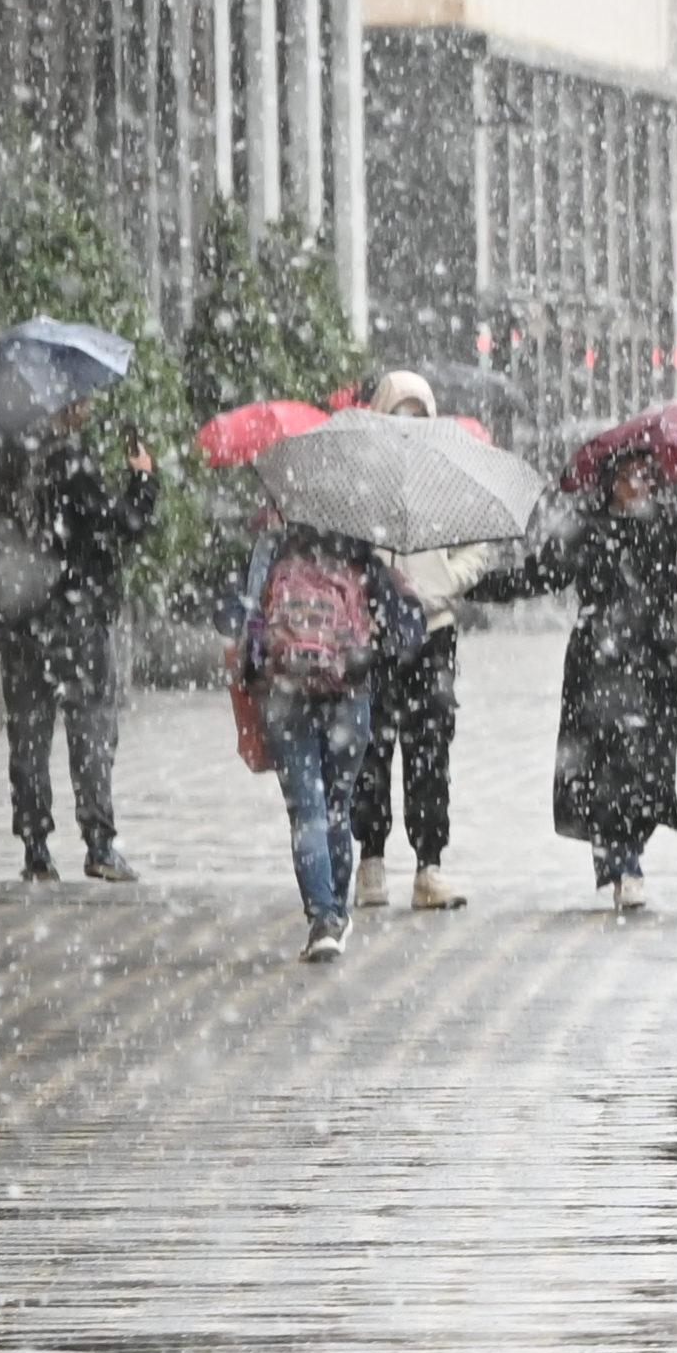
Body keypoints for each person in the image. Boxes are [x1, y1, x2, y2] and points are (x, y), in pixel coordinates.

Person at [510, 443, 677, 911]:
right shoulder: (587, 528)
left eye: (646, 476)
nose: (638, 486)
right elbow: (542, 575)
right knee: (604, 767)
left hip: (655, 663)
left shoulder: (669, 522)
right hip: (598, 664)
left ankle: (631, 851)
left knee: (651, 768)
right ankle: (621, 863)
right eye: (628, 476)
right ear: (610, 480)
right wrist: (470, 586)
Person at [233, 511, 414, 961]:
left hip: (285, 694)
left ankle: (322, 917)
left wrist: (265, 666)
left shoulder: (272, 551)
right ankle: (335, 910)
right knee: (337, 806)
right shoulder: (360, 556)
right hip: (347, 698)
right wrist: (368, 650)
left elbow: (241, 626)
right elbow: (407, 632)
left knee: (307, 813)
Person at [0, 428, 153, 882]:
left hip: (21, 623)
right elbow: (121, 526)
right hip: (75, 620)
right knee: (91, 729)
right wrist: (141, 482)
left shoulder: (0, 459)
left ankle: (36, 849)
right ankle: (98, 843)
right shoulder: (70, 460)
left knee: (28, 739)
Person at [348, 371, 470, 912]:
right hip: (374, 633)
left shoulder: (448, 478)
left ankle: (429, 864)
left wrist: (437, 588)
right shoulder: (361, 481)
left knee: (429, 750)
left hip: (433, 633)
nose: (409, 427)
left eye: (419, 415)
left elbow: (478, 550)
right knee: (370, 746)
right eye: (399, 413)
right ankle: (369, 857)